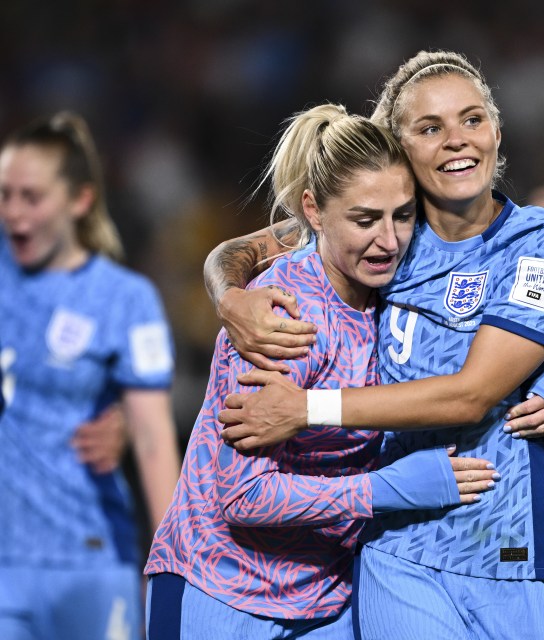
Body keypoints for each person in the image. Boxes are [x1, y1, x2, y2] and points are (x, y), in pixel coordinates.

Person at [204, 50, 544, 639]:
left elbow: (473, 396)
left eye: (472, 119)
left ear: (497, 129)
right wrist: (228, 295)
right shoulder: (385, 234)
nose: (457, 141)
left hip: (518, 556)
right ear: (398, 148)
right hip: (397, 554)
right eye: (430, 128)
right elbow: (245, 247)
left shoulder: (542, 240)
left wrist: (306, 409)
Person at [143, 104, 503, 640]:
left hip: (327, 598)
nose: (388, 240)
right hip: (220, 589)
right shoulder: (282, 320)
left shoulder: (398, 291)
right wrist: (385, 489)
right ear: (312, 212)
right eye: (364, 220)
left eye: (403, 216)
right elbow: (243, 496)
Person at [0, 111, 181, 640]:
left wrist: (172, 567)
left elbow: (153, 440)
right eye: (5, 195)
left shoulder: (123, 299)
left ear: (79, 201)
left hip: (91, 560)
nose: (14, 213)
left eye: (31, 198)